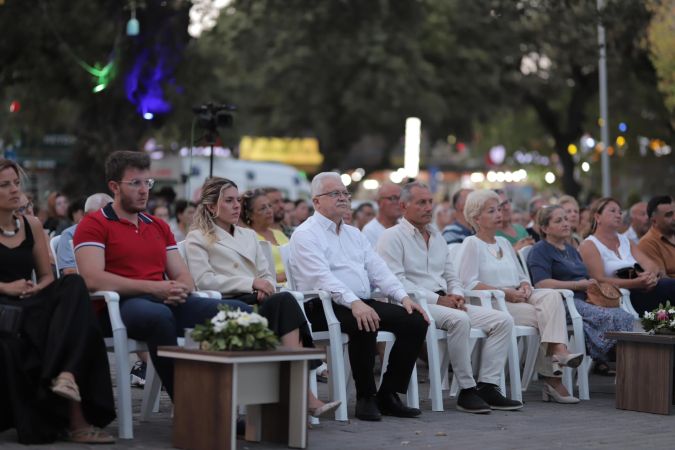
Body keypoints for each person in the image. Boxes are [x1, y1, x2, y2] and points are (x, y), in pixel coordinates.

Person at [73, 150, 250, 400]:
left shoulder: (157, 225)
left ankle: (234, 400)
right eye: (135, 183)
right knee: (158, 316)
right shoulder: (93, 224)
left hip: (164, 301)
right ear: (114, 186)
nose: (144, 190)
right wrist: (154, 288)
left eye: (148, 182)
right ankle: (192, 406)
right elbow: (92, 279)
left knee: (241, 312)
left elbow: (182, 274)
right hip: (118, 307)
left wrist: (181, 288)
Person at [184, 177, 340, 417]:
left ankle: (301, 398)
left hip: (258, 301)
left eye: (237, 200)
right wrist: (250, 282)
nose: (237, 205)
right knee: (286, 304)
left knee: (285, 300)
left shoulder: (248, 236)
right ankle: (303, 398)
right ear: (210, 206)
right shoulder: (198, 237)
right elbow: (205, 281)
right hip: (225, 306)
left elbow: (266, 273)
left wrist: (262, 285)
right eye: (228, 201)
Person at [289, 172, 429, 421]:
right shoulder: (306, 234)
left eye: (345, 193)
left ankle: (388, 394)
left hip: (359, 301)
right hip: (321, 305)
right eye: (335, 194)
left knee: (414, 319)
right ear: (316, 201)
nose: (343, 198)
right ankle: (366, 398)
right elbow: (322, 278)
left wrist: (402, 296)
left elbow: (378, 269)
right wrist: (354, 302)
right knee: (365, 320)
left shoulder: (354, 234)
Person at [377, 182, 522, 413]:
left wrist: (456, 293)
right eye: (421, 202)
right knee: (459, 320)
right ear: (404, 205)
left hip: (444, 301)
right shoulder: (391, 237)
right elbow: (396, 282)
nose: (428, 207)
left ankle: (488, 385)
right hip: (411, 304)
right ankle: (467, 390)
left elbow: (451, 274)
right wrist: (438, 300)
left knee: (502, 321)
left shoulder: (436, 235)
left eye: (430, 202)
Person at [0, 159, 116, 444]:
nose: (15, 190)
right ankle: (77, 422)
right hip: (4, 305)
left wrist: (35, 288)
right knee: (73, 324)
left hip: (29, 300)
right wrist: (7, 287)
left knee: (73, 283)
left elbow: (45, 276)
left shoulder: (31, 225)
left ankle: (67, 375)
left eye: (16, 182)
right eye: (5, 185)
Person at [456, 190, 583, 404]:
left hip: (517, 298)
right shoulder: (471, 243)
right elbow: (468, 283)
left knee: (551, 298)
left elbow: (522, 275)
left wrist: (524, 285)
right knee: (548, 316)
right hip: (493, 303)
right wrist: (505, 292)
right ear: (477, 218)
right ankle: (554, 376)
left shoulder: (504, 244)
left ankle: (558, 353)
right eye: (491, 211)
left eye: (499, 209)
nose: (499, 213)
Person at [527, 205, 633, 376]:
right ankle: (605, 355)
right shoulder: (540, 250)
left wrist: (590, 284)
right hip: (561, 303)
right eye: (559, 220)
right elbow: (541, 283)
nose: (566, 223)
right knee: (607, 316)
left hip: (584, 299)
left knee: (625, 316)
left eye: (566, 219)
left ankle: (619, 364)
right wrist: (576, 285)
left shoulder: (570, 249)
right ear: (545, 228)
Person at [579, 197, 675, 313]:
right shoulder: (589, 245)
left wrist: (650, 277)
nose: (618, 215)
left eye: (620, 212)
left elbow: (651, 265)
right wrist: (635, 283)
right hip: (619, 297)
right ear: (597, 217)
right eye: (612, 211)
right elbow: (598, 280)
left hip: (642, 289)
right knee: (669, 286)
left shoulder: (626, 241)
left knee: (667, 285)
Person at [56, 193, 113, 275]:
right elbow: (69, 272)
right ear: (87, 215)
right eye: (103, 215)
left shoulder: (119, 230)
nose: (110, 219)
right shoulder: (70, 234)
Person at [241, 189, 289, 284]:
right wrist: (287, 275)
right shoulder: (248, 237)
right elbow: (255, 276)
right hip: (275, 289)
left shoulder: (279, 233)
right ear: (250, 215)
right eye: (263, 208)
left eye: (269, 206)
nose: (269, 211)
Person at [638, 196, 675, 278]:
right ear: (654, 221)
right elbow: (663, 280)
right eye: (669, 215)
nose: (674, 218)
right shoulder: (648, 243)